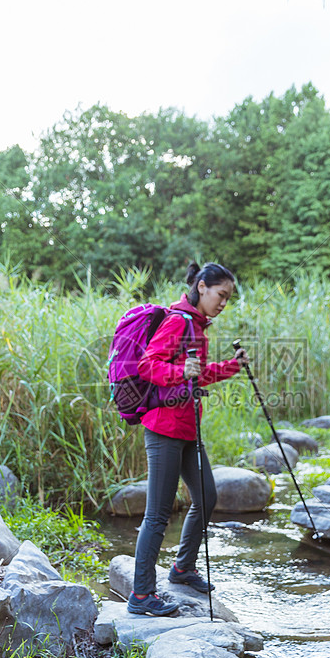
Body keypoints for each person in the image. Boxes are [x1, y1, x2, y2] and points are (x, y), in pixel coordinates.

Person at [129, 262, 248, 616]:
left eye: (228, 297)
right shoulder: (178, 321)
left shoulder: (199, 328)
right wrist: (179, 370)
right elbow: (147, 366)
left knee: (207, 497)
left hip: (187, 429)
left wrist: (231, 366)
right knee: (157, 515)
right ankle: (142, 595)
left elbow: (196, 378)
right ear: (201, 286)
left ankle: (182, 569)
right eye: (220, 295)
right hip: (164, 429)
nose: (223, 303)